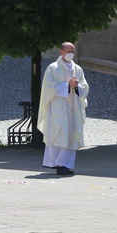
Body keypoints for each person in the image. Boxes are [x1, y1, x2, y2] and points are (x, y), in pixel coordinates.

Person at [38, 42, 89, 176]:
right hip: (59, 108)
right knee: (60, 133)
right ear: (61, 52)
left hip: (73, 108)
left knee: (72, 134)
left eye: (73, 50)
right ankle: (58, 164)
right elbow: (49, 87)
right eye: (69, 51)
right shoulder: (53, 68)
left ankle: (67, 165)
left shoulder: (78, 69)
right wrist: (67, 85)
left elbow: (85, 86)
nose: (71, 53)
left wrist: (77, 86)